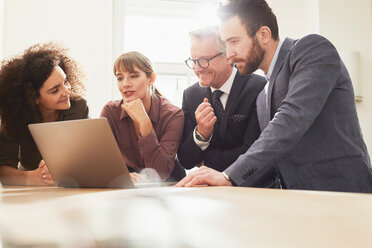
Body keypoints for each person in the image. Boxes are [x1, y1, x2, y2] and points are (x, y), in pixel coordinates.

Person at [177, 0, 372, 193]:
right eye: (226, 44)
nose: (229, 54)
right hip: (297, 199)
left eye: (234, 42)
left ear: (264, 34)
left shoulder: (311, 50)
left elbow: (291, 118)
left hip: (342, 189)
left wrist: (229, 176)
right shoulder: (263, 95)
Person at [177, 26, 277, 186]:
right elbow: (186, 160)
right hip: (210, 195)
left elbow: (253, 151)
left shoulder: (259, 88)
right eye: (194, 61)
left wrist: (204, 162)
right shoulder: (190, 95)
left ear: (228, 57)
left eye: (204, 60)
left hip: (254, 189)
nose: (197, 68)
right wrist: (201, 134)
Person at [0, 42, 89, 186]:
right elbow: (3, 170)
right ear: (34, 98)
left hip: (70, 188)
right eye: (55, 90)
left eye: (65, 81)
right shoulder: (15, 117)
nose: (67, 91)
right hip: (31, 194)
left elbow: (86, 156)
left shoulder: (78, 107)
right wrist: (31, 178)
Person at [100, 51, 185, 182]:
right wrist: (119, 176)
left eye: (133, 76)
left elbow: (160, 173)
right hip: (130, 180)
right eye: (120, 78)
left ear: (151, 79)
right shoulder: (110, 112)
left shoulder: (173, 114)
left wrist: (144, 122)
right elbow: (101, 161)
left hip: (169, 183)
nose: (125, 84)